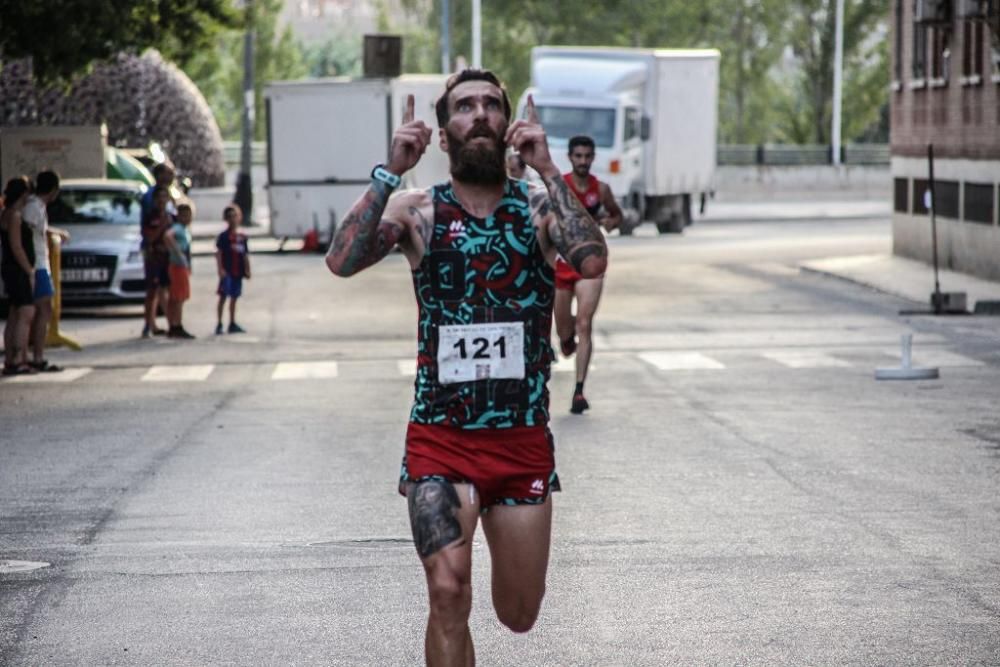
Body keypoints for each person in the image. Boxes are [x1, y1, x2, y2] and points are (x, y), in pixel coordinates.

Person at [325, 69, 607, 665]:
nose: (478, 114)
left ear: (509, 128)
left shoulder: (537, 210)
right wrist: (388, 171)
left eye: (490, 106)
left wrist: (551, 171)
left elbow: (590, 257)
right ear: (443, 135)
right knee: (448, 594)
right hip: (440, 438)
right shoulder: (417, 209)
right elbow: (342, 260)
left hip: (521, 441)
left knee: (519, 614)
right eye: (463, 107)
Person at [553, 135, 622, 414]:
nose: (582, 161)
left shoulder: (601, 189)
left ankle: (579, 391)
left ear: (593, 158)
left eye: (587, 156)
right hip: (562, 263)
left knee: (585, 323)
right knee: (565, 331)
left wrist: (608, 222)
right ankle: (566, 342)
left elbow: (618, 216)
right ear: (570, 158)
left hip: (590, 265)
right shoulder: (560, 188)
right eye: (577, 156)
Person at [23, 170, 69, 372]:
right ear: (54, 190)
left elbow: (37, 230)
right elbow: (24, 233)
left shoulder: (37, 207)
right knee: (42, 310)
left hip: (41, 264)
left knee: (38, 311)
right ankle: (36, 356)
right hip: (37, 265)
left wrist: (55, 231)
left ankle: (30, 355)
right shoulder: (33, 207)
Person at [1, 176, 38, 375]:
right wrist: (29, 270)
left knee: (15, 313)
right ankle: (18, 359)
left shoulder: (7, 213)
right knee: (26, 312)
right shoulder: (14, 215)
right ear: (23, 194)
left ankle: (10, 359)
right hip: (17, 269)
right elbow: (17, 246)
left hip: (10, 269)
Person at [141, 185, 173, 337]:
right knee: (151, 292)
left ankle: (172, 323)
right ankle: (149, 324)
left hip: (167, 258)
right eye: (158, 197)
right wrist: (161, 227)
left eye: (164, 197)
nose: (161, 200)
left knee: (165, 291)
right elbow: (149, 237)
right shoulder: (150, 217)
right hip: (153, 258)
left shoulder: (171, 217)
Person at [215, 205, 250, 335]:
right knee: (223, 296)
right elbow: (219, 253)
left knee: (234, 297)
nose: (232, 219)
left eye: (234, 216)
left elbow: (245, 254)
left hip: (238, 271)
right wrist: (220, 269)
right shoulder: (223, 237)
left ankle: (232, 322)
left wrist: (247, 269)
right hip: (227, 270)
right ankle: (219, 323)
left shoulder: (241, 237)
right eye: (229, 217)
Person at [164, 203, 195, 339]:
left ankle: (173, 324)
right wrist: (177, 251)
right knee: (179, 297)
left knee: (177, 296)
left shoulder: (185, 229)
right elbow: (168, 236)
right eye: (184, 215)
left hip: (182, 265)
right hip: (177, 265)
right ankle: (177, 324)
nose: (187, 218)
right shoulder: (177, 228)